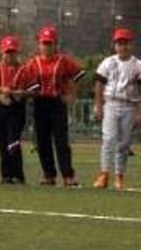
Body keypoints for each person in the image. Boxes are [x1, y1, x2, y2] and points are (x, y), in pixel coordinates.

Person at [22, 26, 84, 187]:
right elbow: (25, 80)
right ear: (39, 44)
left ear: (55, 44)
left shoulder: (63, 61)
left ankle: (68, 175)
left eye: (50, 44)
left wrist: (71, 95)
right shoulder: (33, 63)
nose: (47, 47)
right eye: (44, 43)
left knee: (61, 140)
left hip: (57, 103)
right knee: (42, 141)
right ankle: (48, 174)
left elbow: (77, 75)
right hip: (40, 103)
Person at [93, 27, 141, 190]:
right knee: (108, 139)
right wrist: (98, 106)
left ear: (131, 44)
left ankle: (119, 176)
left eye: (125, 43)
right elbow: (99, 84)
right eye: (119, 43)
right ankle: (104, 174)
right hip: (111, 103)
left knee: (124, 143)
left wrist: (139, 112)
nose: (123, 46)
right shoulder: (108, 62)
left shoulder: (138, 65)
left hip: (129, 105)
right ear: (115, 45)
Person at [0, 35, 32, 184]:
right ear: (2, 52)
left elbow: (32, 89)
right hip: (0, 107)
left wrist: (21, 93)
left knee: (13, 141)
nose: (9, 55)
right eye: (7, 52)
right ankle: (6, 175)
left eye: (12, 52)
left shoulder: (23, 69)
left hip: (16, 108)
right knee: (1, 141)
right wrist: (1, 91)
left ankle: (18, 174)